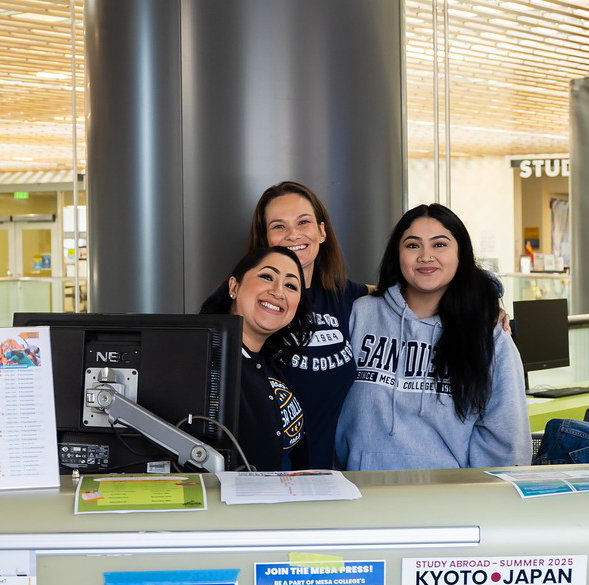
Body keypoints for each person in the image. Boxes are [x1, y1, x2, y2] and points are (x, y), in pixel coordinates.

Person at [334, 204, 531, 471]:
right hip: (362, 494)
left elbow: (506, 439)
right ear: (398, 254)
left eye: (440, 245)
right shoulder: (362, 313)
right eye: (413, 245)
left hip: (449, 503)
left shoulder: (487, 333)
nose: (426, 256)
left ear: (460, 253)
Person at [247, 182, 370, 469]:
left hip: (329, 475)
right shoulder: (254, 299)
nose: (293, 234)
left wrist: (484, 299)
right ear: (265, 239)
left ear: (322, 232)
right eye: (279, 226)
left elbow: (408, 293)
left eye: (303, 222)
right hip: (269, 477)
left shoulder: (342, 293)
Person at [200, 246, 310, 471]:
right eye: (267, 276)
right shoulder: (202, 361)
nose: (278, 292)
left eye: (290, 285)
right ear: (234, 286)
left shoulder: (273, 363)